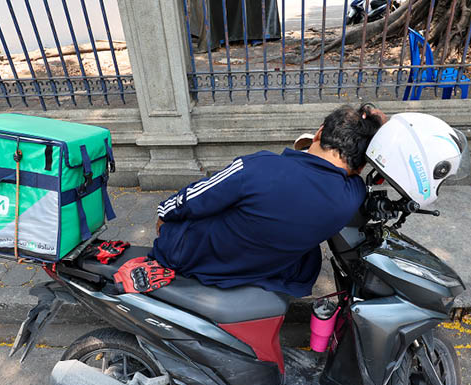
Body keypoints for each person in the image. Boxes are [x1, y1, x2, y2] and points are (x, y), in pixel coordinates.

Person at [149, 104, 385, 297]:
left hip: (191, 255)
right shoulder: (351, 196)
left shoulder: (259, 167)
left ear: (319, 133)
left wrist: (163, 213)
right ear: (360, 166)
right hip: (266, 271)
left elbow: (197, 197)